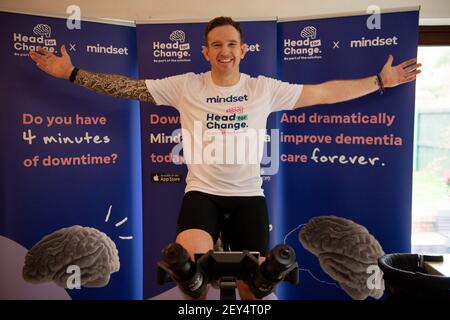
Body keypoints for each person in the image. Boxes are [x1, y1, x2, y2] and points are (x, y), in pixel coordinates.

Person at [29, 16, 421, 299]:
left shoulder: (263, 88)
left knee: (255, 288)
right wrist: (72, 74)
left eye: (231, 43)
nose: (224, 51)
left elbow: (322, 93)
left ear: (243, 49)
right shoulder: (185, 85)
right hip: (202, 194)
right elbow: (128, 87)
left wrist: (379, 82)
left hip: (249, 196)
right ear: (206, 51)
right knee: (190, 270)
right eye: (216, 44)